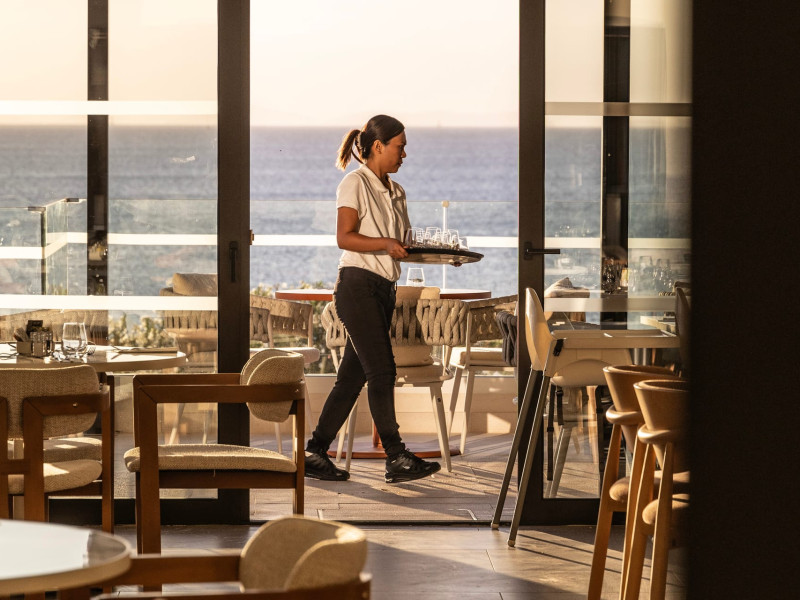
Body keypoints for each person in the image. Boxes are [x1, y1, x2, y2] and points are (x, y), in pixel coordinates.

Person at [303, 114, 441, 484]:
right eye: (400, 147)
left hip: (383, 290)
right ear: (378, 146)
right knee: (382, 371)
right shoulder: (355, 182)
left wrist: (442, 256)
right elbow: (345, 237)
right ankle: (396, 456)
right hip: (357, 286)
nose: (404, 154)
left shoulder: (397, 192)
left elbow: (402, 245)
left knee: (351, 378)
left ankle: (314, 452)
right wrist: (385, 244)